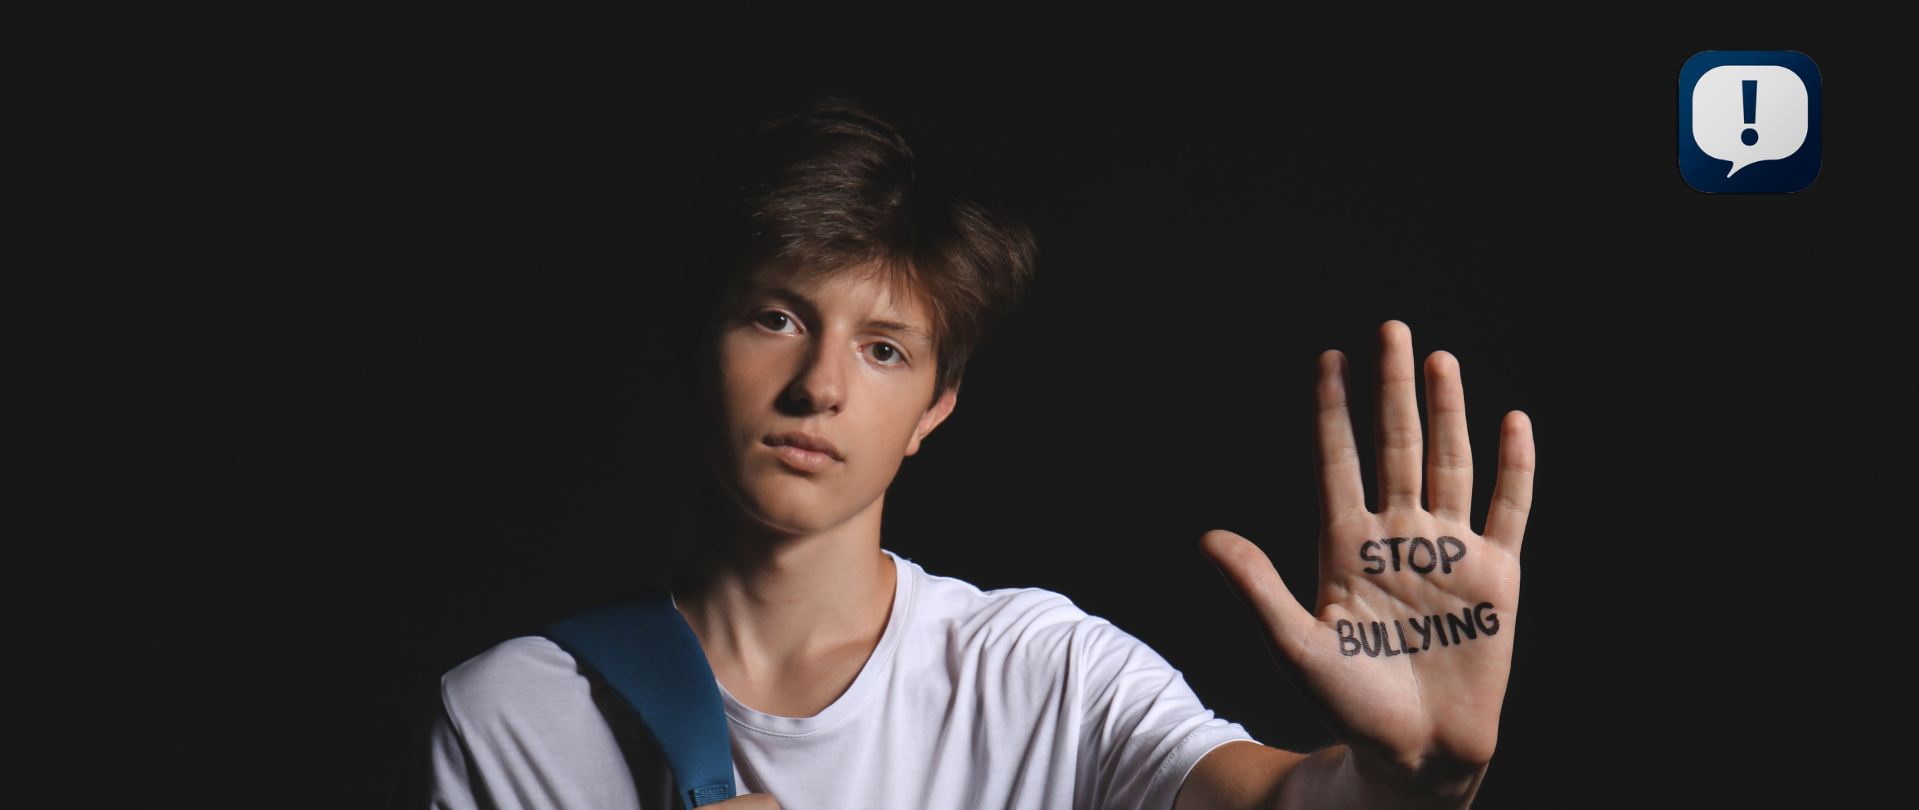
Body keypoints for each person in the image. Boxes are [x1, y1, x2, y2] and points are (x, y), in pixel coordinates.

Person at [426, 98, 1535, 810]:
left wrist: (1410, 784)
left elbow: (1265, 802)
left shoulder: (1036, 674)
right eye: (774, 318)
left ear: (935, 406)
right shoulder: (516, 719)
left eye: (883, 348)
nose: (819, 385)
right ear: (691, 343)